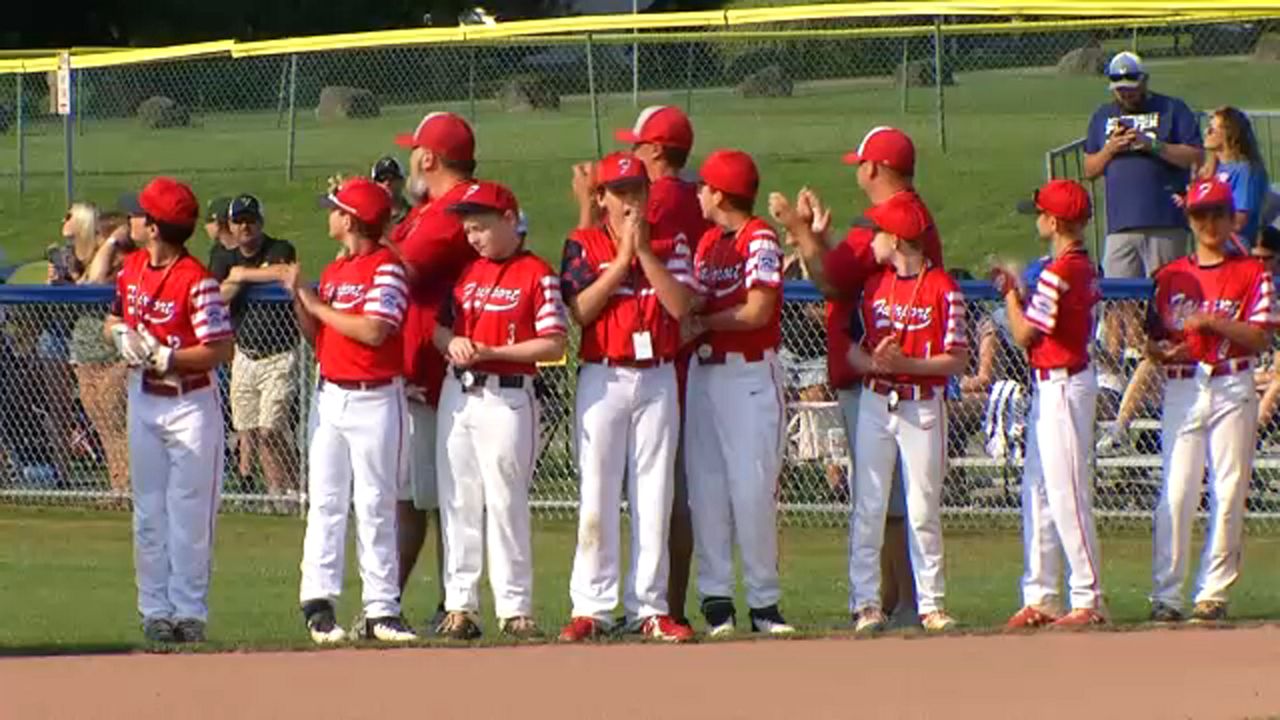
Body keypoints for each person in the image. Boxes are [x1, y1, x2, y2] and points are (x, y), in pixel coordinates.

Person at [774, 126, 942, 631]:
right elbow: (842, 272)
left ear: (876, 169)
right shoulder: (897, 218)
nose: (858, 171)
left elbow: (829, 279)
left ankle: (905, 603)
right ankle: (895, 602)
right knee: (889, 500)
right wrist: (818, 240)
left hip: (885, 381)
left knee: (888, 500)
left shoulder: (895, 221)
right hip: (883, 378)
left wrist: (800, 231)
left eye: (862, 164)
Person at [557, 153, 696, 643]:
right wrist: (620, 262)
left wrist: (646, 255)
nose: (631, 200)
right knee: (596, 491)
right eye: (619, 192)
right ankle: (592, 606)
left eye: (637, 189)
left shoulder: (670, 242)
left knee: (654, 493)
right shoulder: (582, 244)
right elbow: (581, 310)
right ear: (600, 198)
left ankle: (650, 607)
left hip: (656, 375)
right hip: (604, 374)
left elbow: (681, 306)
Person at [432, 181, 568, 640]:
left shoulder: (537, 273)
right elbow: (438, 330)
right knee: (458, 501)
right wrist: (451, 342)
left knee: (506, 501)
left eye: (482, 227)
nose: (474, 237)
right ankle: (460, 606)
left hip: (508, 394)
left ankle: (515, 607)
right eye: (468, 229)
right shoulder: (467, 273)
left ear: (510, 220)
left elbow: (554, 342)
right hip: (460, 392)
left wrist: (493, 349)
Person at [104, 177, 234, 643]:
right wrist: (120, 335)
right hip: (145, 399)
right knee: (148, 512)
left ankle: (189, 611)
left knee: (190, 513)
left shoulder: (195, 280)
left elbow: (220, 349)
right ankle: (154, 608)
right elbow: (115, 317)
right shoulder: (132, 266)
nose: (132, 219)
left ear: (155, 227)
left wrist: (169, 358)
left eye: (139, 214)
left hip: (190, 402)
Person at [288, 177, 416, 644]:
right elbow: (318, 336)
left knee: (376, 503)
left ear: (353, 219)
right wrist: (301, 298)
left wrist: (316, 304)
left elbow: (374, 331)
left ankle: (382, 607)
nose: (330, 215)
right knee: (325, 500)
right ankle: (317, 600)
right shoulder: (339, 269)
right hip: (333, 393)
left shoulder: (387, 268)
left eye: (337, 209)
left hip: (376, 397)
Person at [1145, 178, 1277, 623]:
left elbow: (1259, 337)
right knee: (1177, 492)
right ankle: (1165, 594)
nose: (1210, 223)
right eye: (1202, 215)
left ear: (1230, 216)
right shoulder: (1170, 276)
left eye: (1218, 213)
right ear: (1190, 219)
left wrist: (1214, 323)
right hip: (1185, 383)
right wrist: (1161, 352)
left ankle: (1213, 591)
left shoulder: (1252, 272)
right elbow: (1156, 340)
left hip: (1231, 382)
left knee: (1228, 487)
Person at [600, 104, 710, 625]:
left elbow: (621, 250)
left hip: (659, 357)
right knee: (669, 488)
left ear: (658, 152)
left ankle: (649, 604)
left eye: (639, 146)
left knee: (651, 491)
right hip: (688, 357)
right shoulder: (697, 196)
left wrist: (588, 205)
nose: (632, 153)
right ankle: (670, 604)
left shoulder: (660, 199)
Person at [682, 149, 794, 637]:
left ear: (722, 194)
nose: (699, 194)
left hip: (748, 375)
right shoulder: (707, 242)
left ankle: (765, 601)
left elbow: (758, 311)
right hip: (705, 374)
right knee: (706, 491)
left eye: (704, 187)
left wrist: (704, 322)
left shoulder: (759, 237)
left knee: (752, 489)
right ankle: (716, 599)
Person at [996, 180, 1107, 628]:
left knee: (1066, 494)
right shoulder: (1074, 267)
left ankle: (1088, 597)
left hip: (1064, 383)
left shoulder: (1063, 271)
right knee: (1038, 493)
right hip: (1052, 384)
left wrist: (1008, 293)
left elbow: (1025, 336)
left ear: (1056, 222)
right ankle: (1041, 596)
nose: (1037, 218)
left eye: (1041, 213)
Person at [388, 112, 481, 632]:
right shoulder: (427, 208)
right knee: (416, 496)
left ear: (428, 158)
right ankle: (396, 604)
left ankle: (453, 603)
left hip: (435, 369)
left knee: (443, 496)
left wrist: (365, 230)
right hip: (414, 367)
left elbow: (394, 265)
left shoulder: (453, 210)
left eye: (413, 151)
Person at [210, 194, 300, 509]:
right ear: (230, 226)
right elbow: (216, 297)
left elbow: (283, 271)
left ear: (261, 222)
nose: (245, 227)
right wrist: (239, 280)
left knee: (270, 429)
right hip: (243, 355)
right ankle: (275, 494)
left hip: (278, 353)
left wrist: (241, 276)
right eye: (238, 221)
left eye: (251, 220)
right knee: (249, 429)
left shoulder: (279, 248)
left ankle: (294, 489)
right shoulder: (223, 256)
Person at [1083, 51, 1202, 279]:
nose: (1127, 95)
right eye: (1121, 90)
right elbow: (1089, 169)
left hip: (1165, 223)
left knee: (1167, 296)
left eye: (1132, 88)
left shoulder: (1172, 109)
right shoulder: (1102, 115)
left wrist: (1153, 145)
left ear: (1144, 81)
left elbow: (1196, 156)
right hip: (1120, 225)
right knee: (1119, 301)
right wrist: (1110, 149)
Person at [68, 210, 135, 502]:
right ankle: (117, 487)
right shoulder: (88, 264)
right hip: (86, 356)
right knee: (103, 426)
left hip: (113, 357)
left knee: (118, 422)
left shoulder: (125, 265)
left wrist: (113, 244)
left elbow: (96, 282)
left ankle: (129, 488)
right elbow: (85, 281)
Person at [1200, 107, 1270, 248]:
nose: (1206, 132)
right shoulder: (1215, 169)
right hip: (1215, 247)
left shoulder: (1245, 170)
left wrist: (1201, 218)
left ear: (1228, 134)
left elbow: (1239, 221)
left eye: (1212, 129)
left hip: (1237, 250)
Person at [372, 155, 412, 225]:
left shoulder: (415, 217)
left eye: (392, 178)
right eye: (381, 179)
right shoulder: (369, 218)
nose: (387, 183)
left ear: (402, 181)